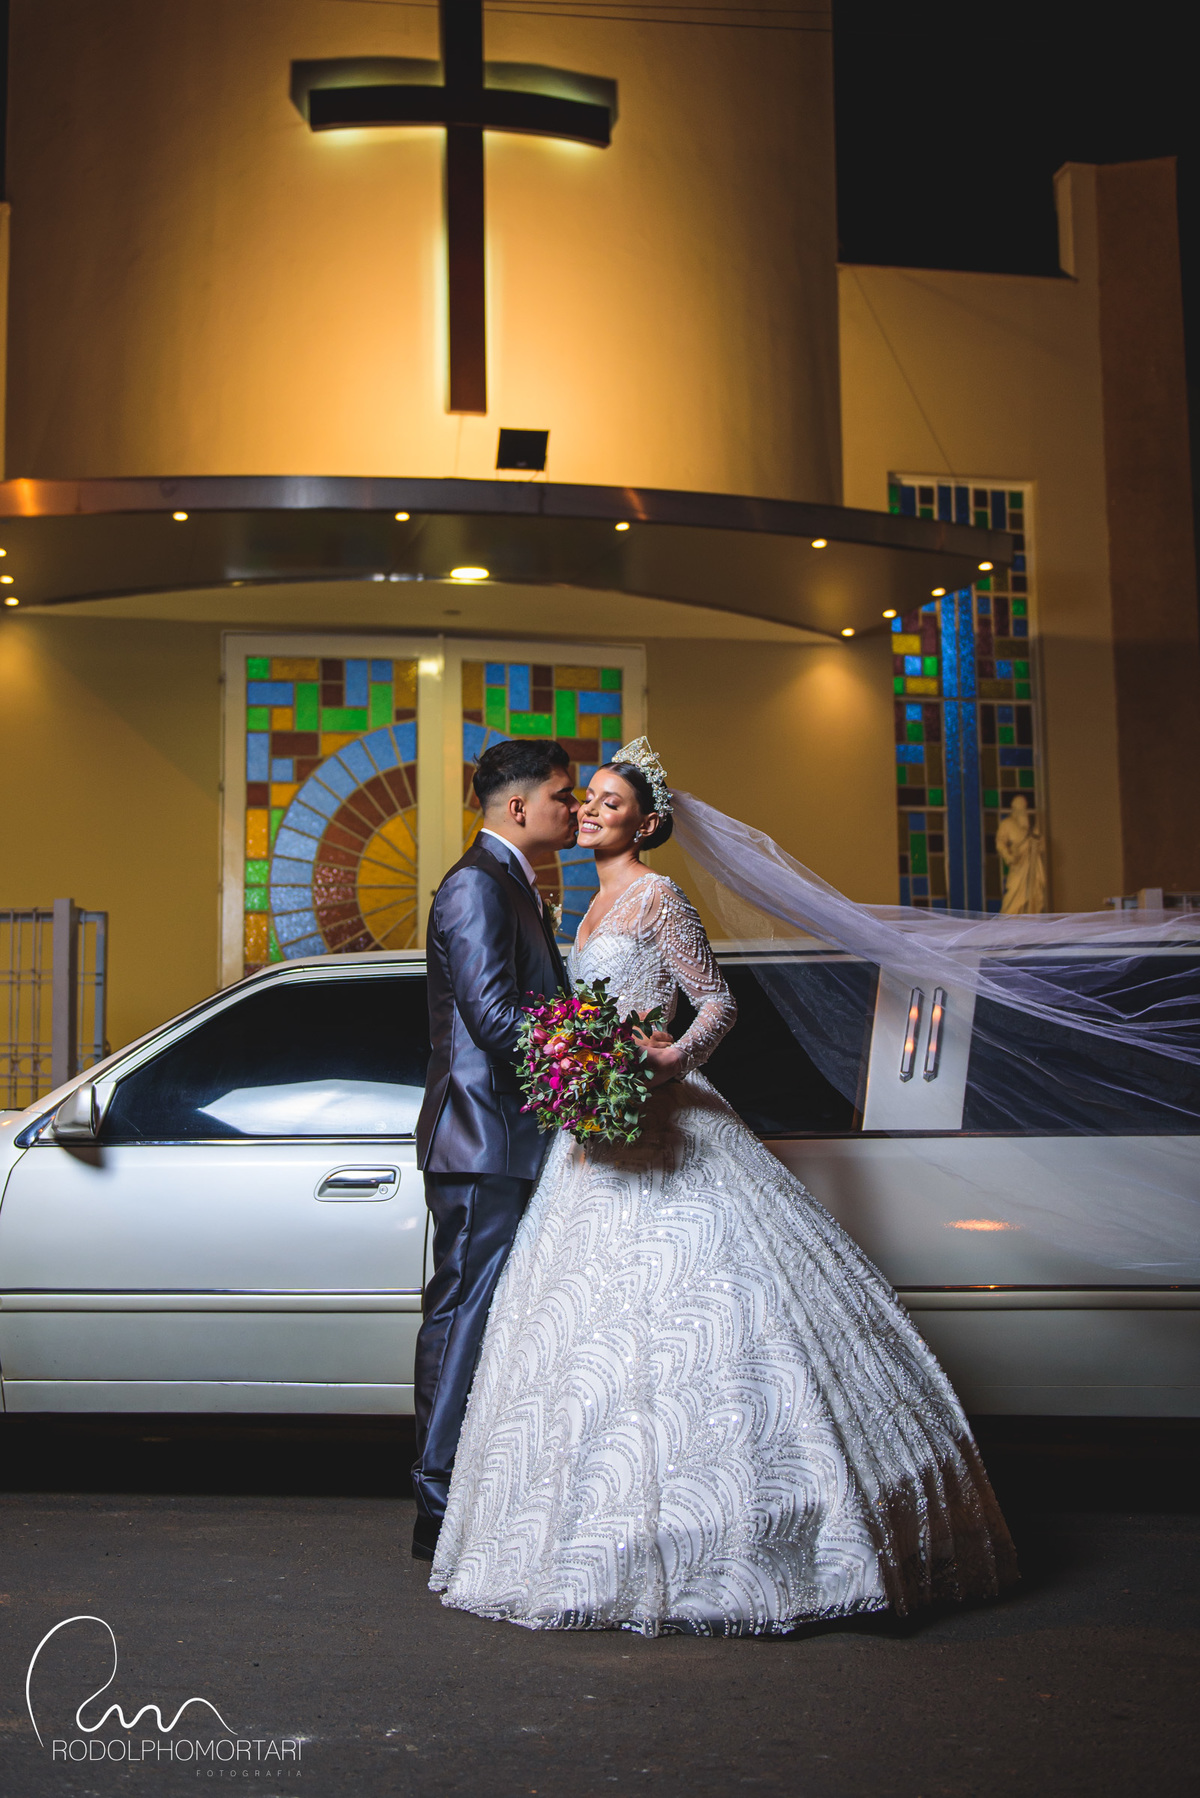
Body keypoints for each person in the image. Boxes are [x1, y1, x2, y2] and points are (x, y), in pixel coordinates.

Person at [430, 738, 1016, 1633]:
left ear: (647, 825)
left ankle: (749, 1525)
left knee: (713, 1321)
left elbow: (719, 1002)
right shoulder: (573, 908)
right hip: (589, 1140)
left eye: (608, 802)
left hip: (666, 1120)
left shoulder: (658, 896)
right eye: (582, 797)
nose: (587, 810)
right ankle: (590, 1527)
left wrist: (668, 1060)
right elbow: (541, 1015)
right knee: (579, 1338)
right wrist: (585, 1071)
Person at [411, 738, 579, 1561]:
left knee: (495, 1316)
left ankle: (474, 1489)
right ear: (518, 807)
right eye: (563, 795)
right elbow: (493, 1017)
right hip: (482, 1136)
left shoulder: (514, 882)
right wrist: (592, 1064)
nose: (573, 809)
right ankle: (436, 1500)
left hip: (512, 1135)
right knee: (464, 1315)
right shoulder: (477, 883)